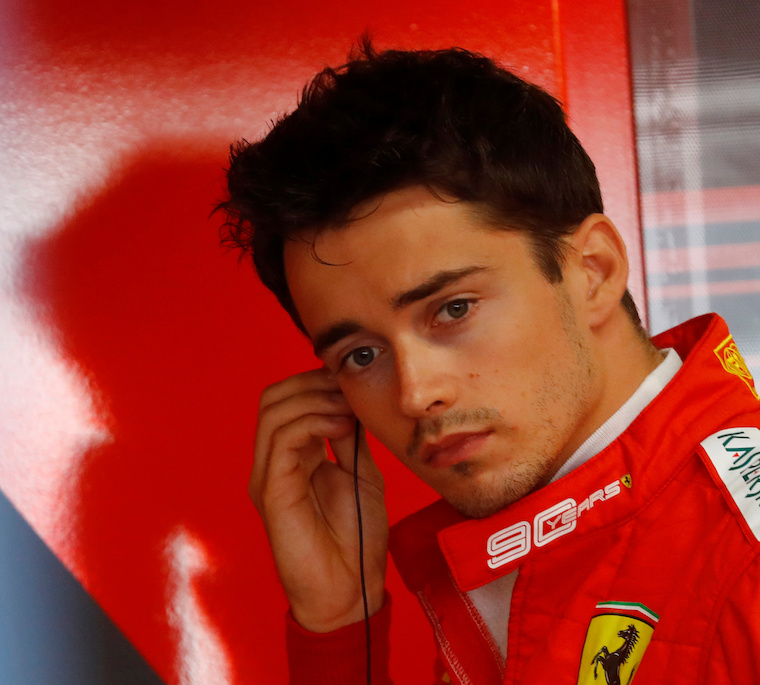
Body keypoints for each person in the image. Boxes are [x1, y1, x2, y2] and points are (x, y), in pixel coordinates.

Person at [217, 42, 760, 684]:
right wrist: (338, 626)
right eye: (362, 354)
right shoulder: (526, 538)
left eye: (452, 310)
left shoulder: (741, 558)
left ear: (593, 271)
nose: (415, 394)